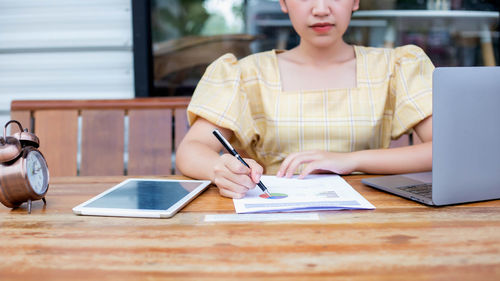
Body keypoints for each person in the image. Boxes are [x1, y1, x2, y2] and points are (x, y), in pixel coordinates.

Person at [176, 0, 433, 198]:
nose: (320, 9)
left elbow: (445, 149)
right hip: (272, 215)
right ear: (283, 2)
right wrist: (219, 169)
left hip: (374, 215)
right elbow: (191, 150)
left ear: (355, 0)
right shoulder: (247, 74)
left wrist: (350, 160)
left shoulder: (395, 67)